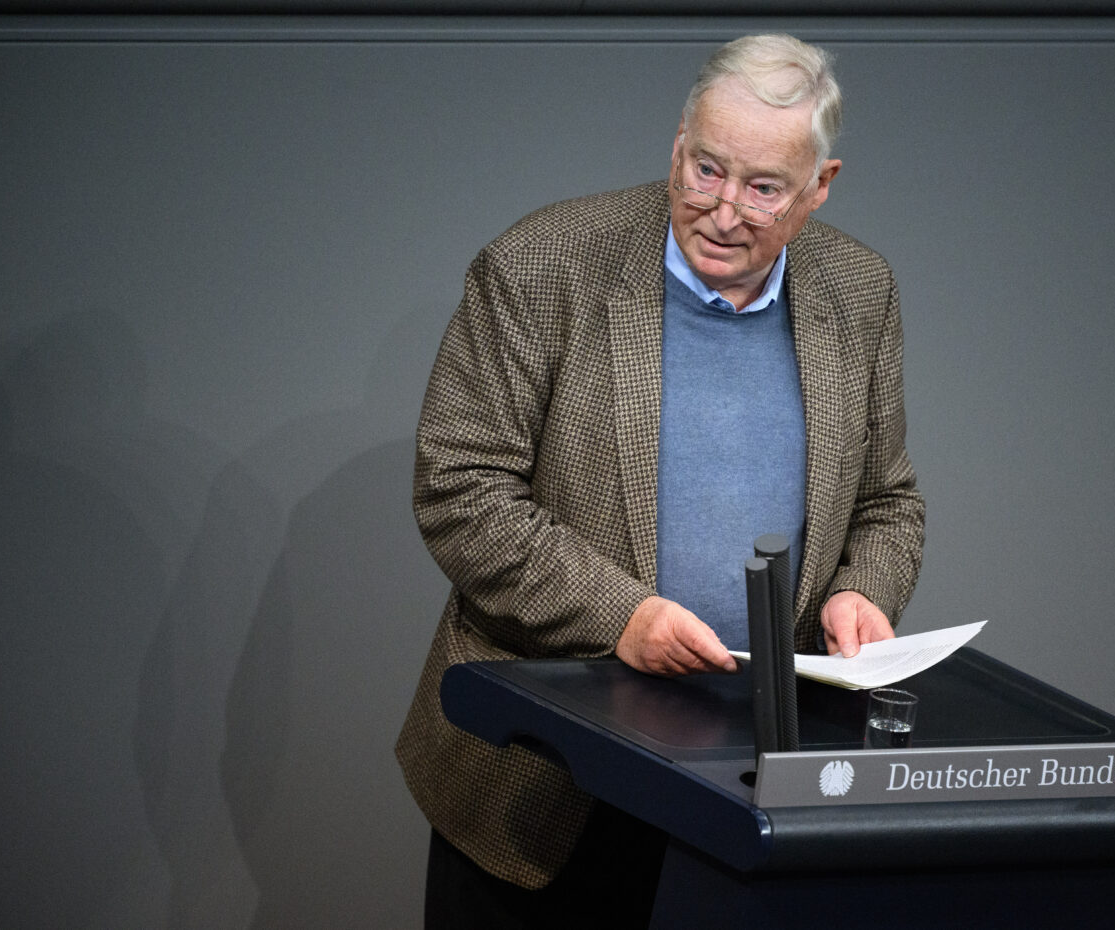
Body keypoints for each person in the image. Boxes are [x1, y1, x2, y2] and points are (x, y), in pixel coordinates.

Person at [396, 33, 925, 928]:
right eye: (707, 170)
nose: (724, 210)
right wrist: (622, 617)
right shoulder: (544, 265)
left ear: (819, 186)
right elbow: (461, 490)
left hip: (752, 788)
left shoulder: (859, 290)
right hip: (548, 780)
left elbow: (887, 503)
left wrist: (863, 588)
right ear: (678, 149)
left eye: (763, 188)